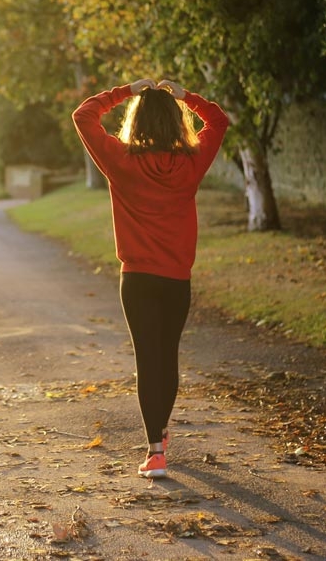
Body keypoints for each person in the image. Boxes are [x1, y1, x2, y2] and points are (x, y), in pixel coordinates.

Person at [72, 78, 229, 478]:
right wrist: (186, 97)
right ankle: (159, 431)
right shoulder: (192, 162)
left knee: (147, 358)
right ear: (177, 123)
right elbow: (219, 120)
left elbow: (84, 115)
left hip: (137, 279)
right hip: (176, 279)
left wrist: (126, 90)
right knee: (167, 356)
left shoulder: (120, 160)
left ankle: (155, 450)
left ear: (136, 122)